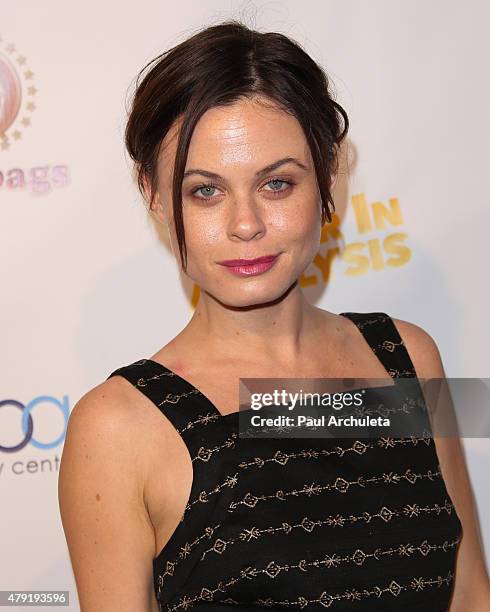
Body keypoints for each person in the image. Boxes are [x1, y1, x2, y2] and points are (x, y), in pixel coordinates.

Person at [58, 19, 490, 611]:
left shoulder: (409, 357)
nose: (245, 224)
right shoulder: (118, 427)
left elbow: (469, 593)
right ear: (155, 195)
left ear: (330, 174)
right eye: (205, 190)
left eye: (278, 183)